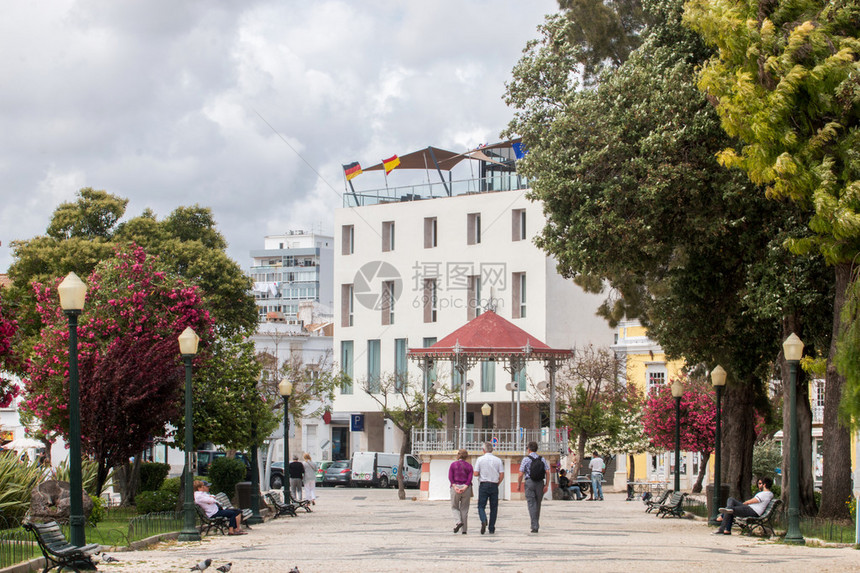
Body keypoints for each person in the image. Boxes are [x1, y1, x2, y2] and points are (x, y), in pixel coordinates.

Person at [518, 441, 550, 533]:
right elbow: (547, 472)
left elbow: (521, 473)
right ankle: (536, 523)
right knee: (538, 504)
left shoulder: (526, 459)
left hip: (529, 482)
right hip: (540, 483)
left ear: (528, 449)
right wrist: (547, 484)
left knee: (531, 504)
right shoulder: (542, 459)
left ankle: (534, 525)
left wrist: (519, 484)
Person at [473, 441, 504, 535]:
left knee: (481, 506)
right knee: (494, 507)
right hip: (494, 485)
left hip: (484, 484)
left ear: (483, 450)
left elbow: (475, 473)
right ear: (492, 450)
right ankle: (491, 528)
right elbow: (501, 474)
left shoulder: (480, 459)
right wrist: (497, 483)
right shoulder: (498, 460)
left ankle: (483, 519)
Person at [448, 449, 473, 534]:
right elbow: (470, 479)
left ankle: (458, 522)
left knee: (454, 507)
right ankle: (464, 530)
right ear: (466, 456)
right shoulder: (469, 466)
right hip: (466, 489)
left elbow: (450, 477)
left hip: (455, 488)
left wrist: (455, 487)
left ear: (458, 455)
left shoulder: (453, 465)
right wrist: (465, 487)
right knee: (464, 509)